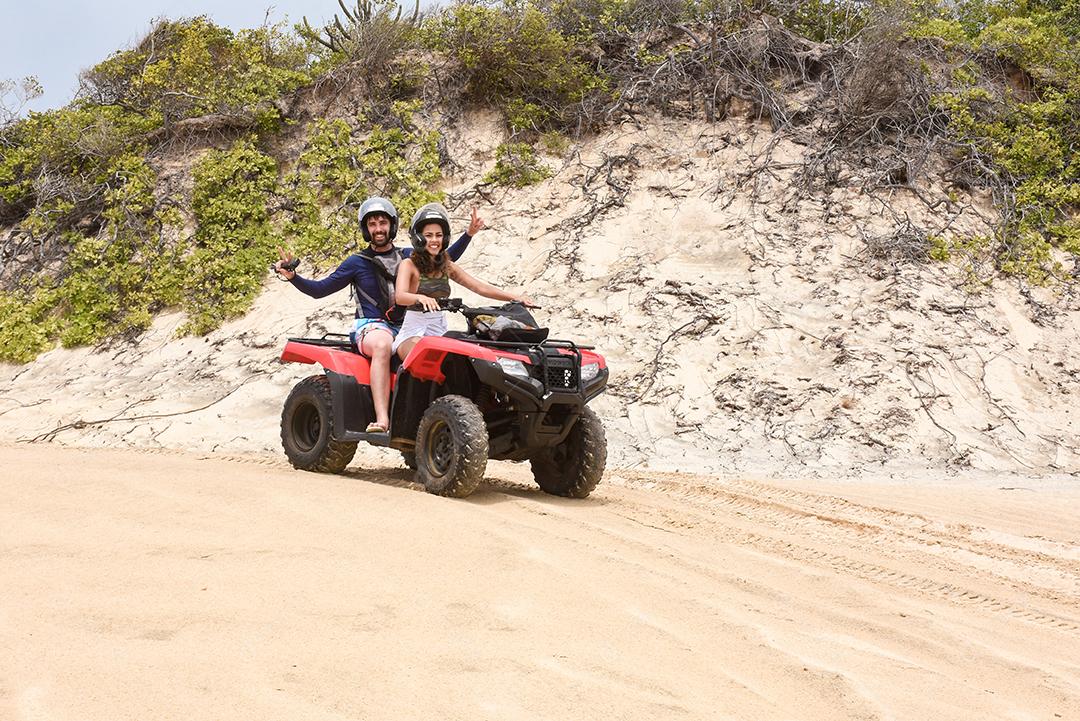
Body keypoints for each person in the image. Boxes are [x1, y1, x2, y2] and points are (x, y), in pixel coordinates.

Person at [274, 197, 485, 433]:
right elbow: (320, 290)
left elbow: (445, 259)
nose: (378, 229)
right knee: (383, 344)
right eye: (372, 224)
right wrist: (293, 276)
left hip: (406, 326)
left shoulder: (409, 255)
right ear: (366, 229)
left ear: (392, 225)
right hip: (371, 327)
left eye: (382, 223)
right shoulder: (356, 262)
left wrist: (468, 234)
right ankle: (382, 418)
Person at [393, 203, 532, 362]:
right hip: (413, 331)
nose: (434, 240)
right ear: (418, 238)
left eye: (439, 235)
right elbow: (400, 297)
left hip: (439, 329)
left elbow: (479, 287)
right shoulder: (408, 264)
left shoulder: (447, 266)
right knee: (422, 357)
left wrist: (515, 297)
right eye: (429, 235)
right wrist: (420, 298)